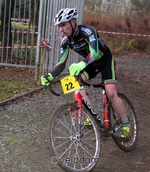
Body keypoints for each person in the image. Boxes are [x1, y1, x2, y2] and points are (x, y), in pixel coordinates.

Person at [41, 8, 130, 138]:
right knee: (74, 83)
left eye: (63, 25)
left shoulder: (88, 31)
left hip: (104, 59)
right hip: (90, 63)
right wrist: (50, 76)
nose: (61, 29)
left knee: (111, 93)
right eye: (59, 26)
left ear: (73, 22)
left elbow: (94, 52)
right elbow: (61, 63)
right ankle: (90, 115)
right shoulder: (65, 41)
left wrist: (82, 63)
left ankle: (126, 123)